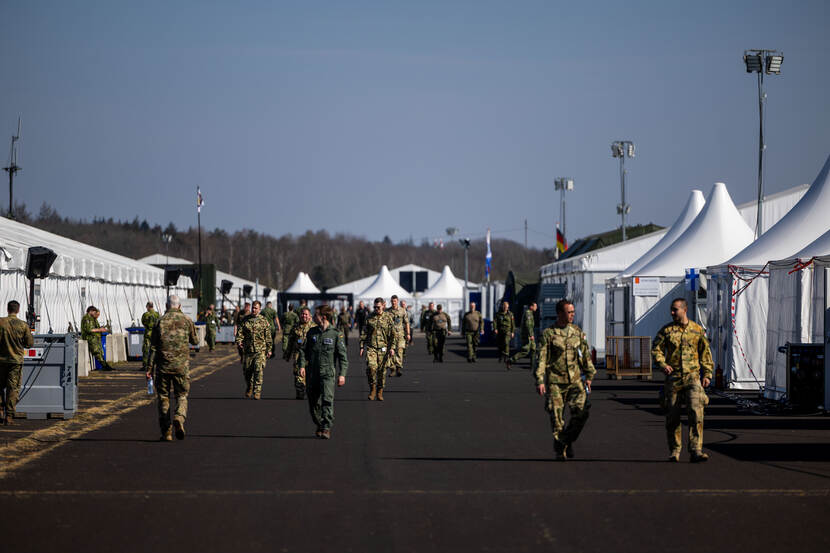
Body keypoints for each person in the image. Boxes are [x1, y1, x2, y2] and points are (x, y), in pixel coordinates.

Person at [652, 297, 713, 463]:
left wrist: (707, 374)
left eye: (675, 309)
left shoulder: (697, 330)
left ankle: (696, 450)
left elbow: (705, 353)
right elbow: (656, 349)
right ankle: (675, 450)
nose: (672, 313)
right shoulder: (666, 331)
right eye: (671, 310)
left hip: (693, 377)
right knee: (673, 416)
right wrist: (662, 364)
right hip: (674, 379)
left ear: (684, 310)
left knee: (696, 413)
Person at [535, 299, 596, 461]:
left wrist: (589, 376)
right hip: (556, 382)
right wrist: (540, 380)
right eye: (569, 312)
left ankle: (565, 441)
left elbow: (585, 355)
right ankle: (560, 451)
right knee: (557, 419)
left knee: (582, 413)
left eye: (573, 312)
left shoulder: (576, 332)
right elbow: (541, 359)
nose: (572, 315)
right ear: (560, 313)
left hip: (575, 381)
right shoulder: (549, 334)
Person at [147, 295, 198, 441]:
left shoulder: (159, 321)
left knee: (163, 398)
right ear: (180, 306)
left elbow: (154, 347)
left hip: (163, 367)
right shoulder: (187, 320)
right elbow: (195, 340)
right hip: (181, 367)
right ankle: (179, 417)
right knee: (181, 395)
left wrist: (149, 368)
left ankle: (167, 432)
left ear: (166, 305)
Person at [298, 305, 349, 439]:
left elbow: (343, 357)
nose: (313, 317)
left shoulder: (336, 334)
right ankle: (320, 423)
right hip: (312, 373)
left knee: (327, 400)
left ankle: (326, 427)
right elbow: (303, 350)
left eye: (316, 315)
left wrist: (342, 374)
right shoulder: (311, 332)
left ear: (323, 317)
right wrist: (302, 365)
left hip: (327, 374)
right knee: (313, 403)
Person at [0, 301, 34, 425]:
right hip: (16, 362)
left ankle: (0, 411)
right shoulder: (23, 325)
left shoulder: (1, 322)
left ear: (7, 309)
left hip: (1, 361)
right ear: (18, 310)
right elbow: (30, 344)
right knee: (13, 388)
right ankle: (9, 416)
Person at [359, 298, 396, 401]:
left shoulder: (388, 317)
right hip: (371, 348)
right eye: (374, 307)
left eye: (378, 307)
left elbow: (393, 335)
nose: (376, 309)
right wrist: (362, 346)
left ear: (383, 306)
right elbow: (364, 333)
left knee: (382, 371)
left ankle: (380, 391)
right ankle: (372, 389)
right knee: (371, 368)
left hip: (383, 349)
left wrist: (392, 348)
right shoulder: (369, 317)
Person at [235, 300, 273, 400]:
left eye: (256, 308)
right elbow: (240, 333)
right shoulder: (245, 320)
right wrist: (239, 341)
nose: (253, 310)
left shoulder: (264, 321)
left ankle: (257, 391)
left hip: (260, 350)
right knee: (247, 372)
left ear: (260, 309)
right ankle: (250, 386)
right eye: (253, 307)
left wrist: (269, 349)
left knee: (258, 370)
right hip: (248, 351)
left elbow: (268, 336)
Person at [287, 307, 315, 399]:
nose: (304, 316)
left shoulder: (314, 327)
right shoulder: (295, 327)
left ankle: (310, 389)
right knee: (299, 375)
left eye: (306, 314)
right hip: (298, 355)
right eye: (302, 314)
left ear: (310, 316)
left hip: (311, 355)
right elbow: (290, 341)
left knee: (311, 375)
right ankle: (300, 391)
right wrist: (288, 354)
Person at [81, 306, 113, 371]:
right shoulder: (87, 318)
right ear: (91, 311)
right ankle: (104, 366)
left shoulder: (92, 318)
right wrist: (99, 330)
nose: (95, 314)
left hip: (95, 337)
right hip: (90, 337)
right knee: (97, 352)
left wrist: (100, 329)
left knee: (100, 352)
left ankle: (105, 365)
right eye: (94, 312)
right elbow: (89, 330)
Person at [386, 295, 410, 377]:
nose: (393, 302)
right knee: (391, 352)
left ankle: (399, 368)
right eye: (392, 301)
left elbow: (406, 322)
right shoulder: (387, 311)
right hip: (390, 335)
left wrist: (408, 334)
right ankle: (393, 369)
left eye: (395, 301)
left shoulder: (402, 311)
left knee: (400, 351)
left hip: (400, 334)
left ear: (397, 301)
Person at [510, 302, 538, 368]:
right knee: (526, 351)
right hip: (527, 335)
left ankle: (533, 365)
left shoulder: (531, 313)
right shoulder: (528, 313)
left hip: (530, 334)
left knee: (533, 349)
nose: (536, 307)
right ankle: (511, 360)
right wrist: (531, 335)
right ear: (531, 307)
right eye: (535, 306)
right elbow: (528, 325)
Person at [493, 301, 515, 369]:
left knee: (506, 343)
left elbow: (513, 324)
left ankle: (506, 357)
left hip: (507, 332)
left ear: (508, 307)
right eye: (504, 306)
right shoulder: (498, 314)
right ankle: (501, 355)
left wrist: (512, 332)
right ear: (502, 306)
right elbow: (495, 322)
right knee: (500, 345)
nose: (505, 308)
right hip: (500, 331)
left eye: (506, 307)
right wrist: (495, 328)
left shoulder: (510, 314)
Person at [140, 302, 160, 371]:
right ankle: (155, 364)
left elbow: (143, 322)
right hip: (156, 334)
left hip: (148, 333)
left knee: (146, 349)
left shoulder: (145, 315)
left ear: (148, 306)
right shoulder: (157, 314)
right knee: (155, 349)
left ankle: (145, 365)